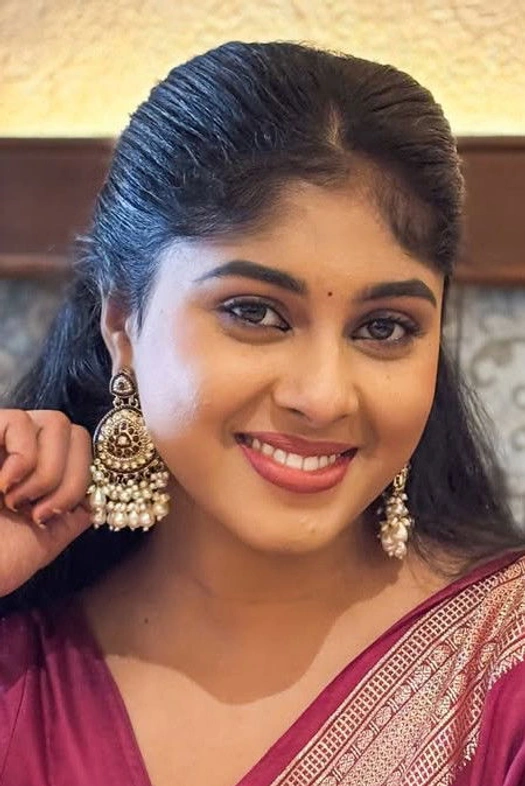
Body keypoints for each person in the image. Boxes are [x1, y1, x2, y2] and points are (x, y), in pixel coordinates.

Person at [1, 40, 525, 786]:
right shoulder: (20, 665)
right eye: (254, 313)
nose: (324, 396)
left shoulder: (502, 670)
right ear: (122, 323)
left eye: (383, 328)